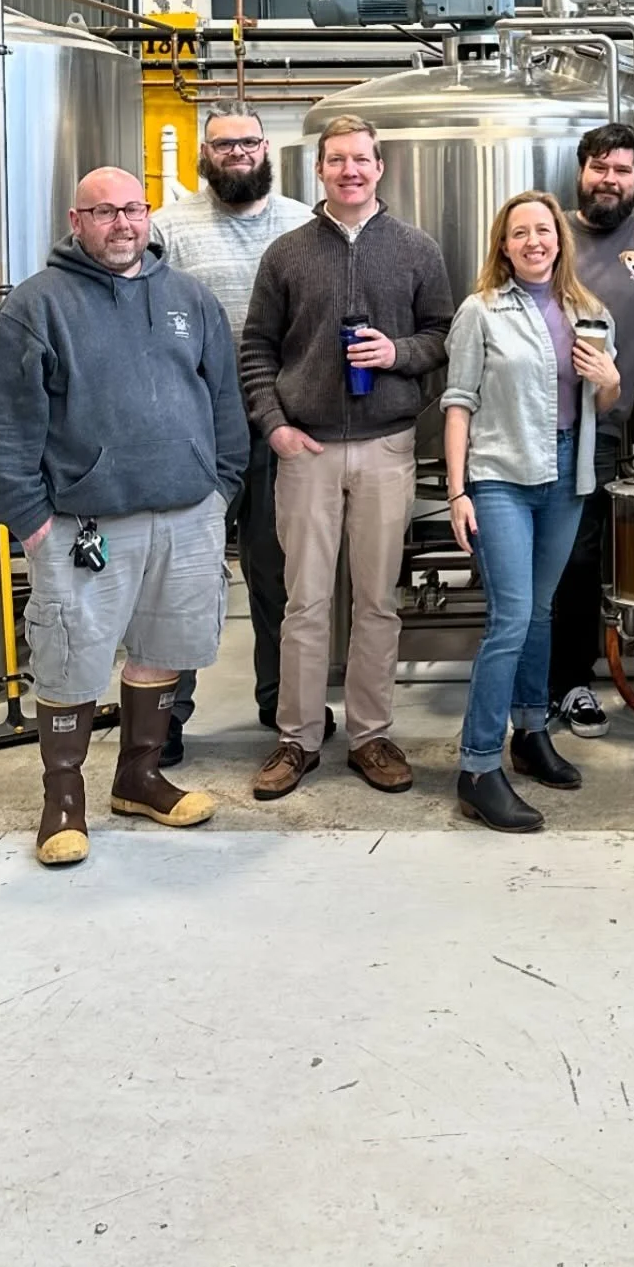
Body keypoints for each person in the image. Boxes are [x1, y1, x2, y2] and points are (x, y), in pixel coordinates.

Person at [0, 167, 248, 867]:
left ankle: (140, 776)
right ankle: (62, 800)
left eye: (133, 209)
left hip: (186, 517)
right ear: (77, 218)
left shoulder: (189, 298)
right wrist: (33, 523)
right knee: (68, 660)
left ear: (149, 214)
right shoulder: (37, 307)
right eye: (104, 212)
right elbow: (0, 427)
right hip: (81, 526)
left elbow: (223, 404)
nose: (122, 223)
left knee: (162, 649)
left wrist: (219, 490)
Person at [240, 114, 453, 801]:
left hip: (388, 446)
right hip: (306, 449)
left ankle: (370, 734)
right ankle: (297, 736)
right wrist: (274, 427)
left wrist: (398, 354)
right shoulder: (287, 253)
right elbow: (256, 351)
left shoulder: (416, 248)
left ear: (379, 166)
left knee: (378, 601)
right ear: (321, 169)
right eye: (338, 161)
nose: (350, 170)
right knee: (305, 602)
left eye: (362, 159)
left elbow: (443, 335)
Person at [443, 191, 620, 832]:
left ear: (558, 240)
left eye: (543, 231)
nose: (534, 242)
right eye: (520, 233)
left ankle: (530, 733)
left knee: (541, 614)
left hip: (567, 475)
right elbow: (458, 401)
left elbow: (608, 391)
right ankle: (478, 766)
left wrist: (607, 375)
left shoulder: (587, 310)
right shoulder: (480, 312)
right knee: (512, 619)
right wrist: (458, 490)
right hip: (501, 476)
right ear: (504, 245)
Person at [152, 108, 314, 764]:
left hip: (279, 423)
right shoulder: (168, 228)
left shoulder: (304, 222)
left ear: (265, 147)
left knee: (277, 570)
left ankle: (283, 702)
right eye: (225, 144)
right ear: (204, 153)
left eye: (248, 141)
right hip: (192, 430)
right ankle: (163, 714)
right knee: (182, 574)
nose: (238, 152)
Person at [549, 123, 634, 736]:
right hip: (532, 422)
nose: (610, 179)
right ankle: (533, 683)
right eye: (600, 167)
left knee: (581, 558)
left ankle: (572, 682)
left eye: (623, 170)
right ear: (581, 170)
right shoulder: (547, 230)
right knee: (527, 559)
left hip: (602, 428)